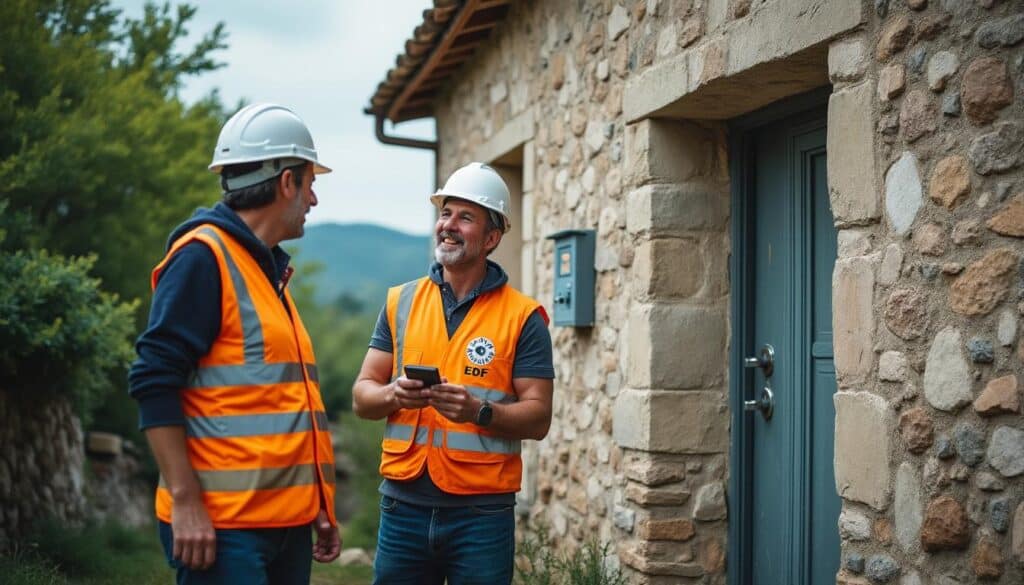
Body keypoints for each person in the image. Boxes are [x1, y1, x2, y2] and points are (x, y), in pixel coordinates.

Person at [128, 103, 341, 584]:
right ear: (287, 182)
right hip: (223, 529)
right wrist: (185, 503)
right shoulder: (203, 259)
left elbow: (282, 403)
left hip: (285, 526)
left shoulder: (265, 271)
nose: (314, 200)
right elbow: (153, 380)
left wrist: (318, 506)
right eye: (310, 183)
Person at [353, 162, 555, 585]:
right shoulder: (400, 302)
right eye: (445, 213)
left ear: (491, 238)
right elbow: (362, 397)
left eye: (465, 217)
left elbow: (538, 418)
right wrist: (394, 395)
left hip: (481, 516)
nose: (449, 225)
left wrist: (479, 411)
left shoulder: (523, 318)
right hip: (402, 508)